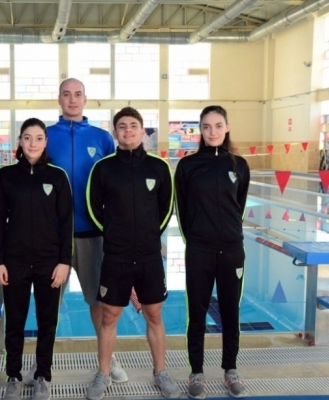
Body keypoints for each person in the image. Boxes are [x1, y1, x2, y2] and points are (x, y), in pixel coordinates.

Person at [85, 107, 179, 400]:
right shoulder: (103, 168)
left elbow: (167, 208)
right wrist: (113, 235)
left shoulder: (158, 167)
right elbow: (92, 208)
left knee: (154, 314)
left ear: (142, 130)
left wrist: (150, 237)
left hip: (149, 255)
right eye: (122, 126)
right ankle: (103, 374)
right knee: (109, 315)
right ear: (115, 133)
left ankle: (160, 372)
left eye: (133, 125)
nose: (128, 130)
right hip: (116, 255)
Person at [43, 78, 127, 383]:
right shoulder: (45, 136)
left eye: (77, 94)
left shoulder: (102, 138)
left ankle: (108, 360)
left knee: (99, 303)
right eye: (66, 94)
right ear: (59, 98)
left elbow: (115, 184)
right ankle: (42, 368)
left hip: (93, 233)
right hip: (54, 237)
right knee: (49, 305)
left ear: (85, 99)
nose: (72, 99)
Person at [0, 118, 73, 400]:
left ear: (46, 142)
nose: (33, 143)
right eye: (27, 138)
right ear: (20, 141)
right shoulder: (6, 176)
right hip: (14, 261)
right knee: (14, 322)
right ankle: (13, 376)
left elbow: (66, 221)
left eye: (39, 138)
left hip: (49, 262)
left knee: (47, 322)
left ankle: (42, 376)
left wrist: (65, 261)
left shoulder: (57, 176)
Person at [174, 105, 250, 399]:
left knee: (231, 312)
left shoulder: (239, 165)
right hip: (200, 251)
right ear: (201, 130)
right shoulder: (188, 166)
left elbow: (239, 206)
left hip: (232, 251)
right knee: (197, 314)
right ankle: (196, 371)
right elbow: (182, 210)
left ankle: (230, 369)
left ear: (227, 127)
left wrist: (230, 235)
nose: (213, 131)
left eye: (218, 125)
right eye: (206, 126)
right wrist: (195, 241)